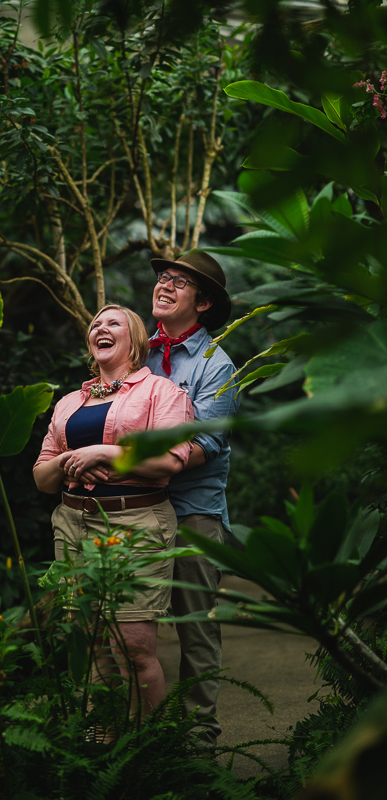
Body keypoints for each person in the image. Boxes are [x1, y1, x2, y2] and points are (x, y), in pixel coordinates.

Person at [33, 304, 194, 720]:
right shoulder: (69, 402)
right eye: (95, 325)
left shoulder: (161, 393)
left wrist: (105, 453)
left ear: (135, 340)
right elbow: (42, 476)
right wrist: (72, 461)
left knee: (134, 649)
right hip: (73, 523)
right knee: (90, 643)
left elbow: (172, 459)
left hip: (135, 524)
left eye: (113, 323)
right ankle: (101, 744)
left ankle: (154, 752)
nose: (100, 329)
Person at [145, 251, 239, 748]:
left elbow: (207, 444)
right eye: (163, 278)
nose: (165, 285)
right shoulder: (137, 349)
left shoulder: (215, 365)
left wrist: (138, 459)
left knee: (194, 627)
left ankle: (198, 741)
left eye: (178, 282)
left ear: (202, 303)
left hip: (192, 512)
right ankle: (133, 735)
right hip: (135, 506)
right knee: (131, 623)